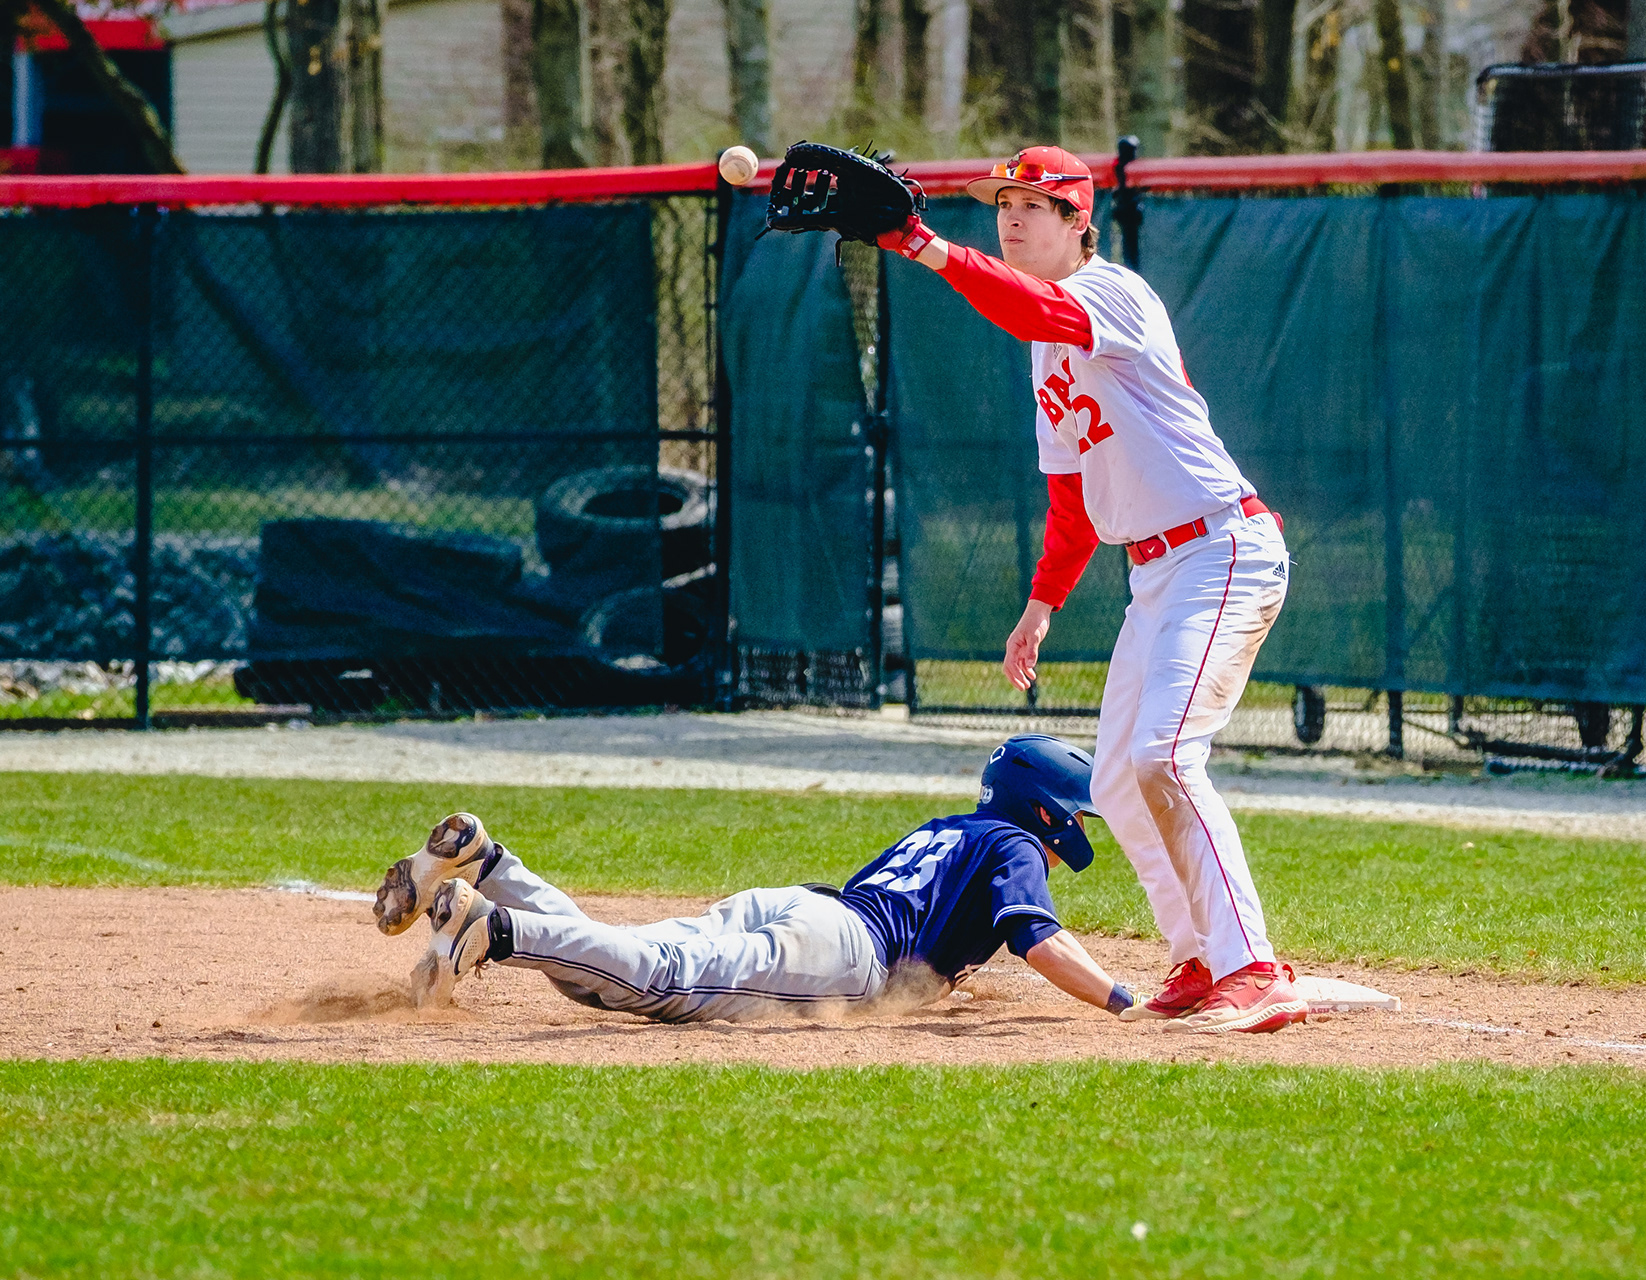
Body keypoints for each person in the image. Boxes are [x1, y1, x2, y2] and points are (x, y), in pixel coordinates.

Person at [874, 147, 1306, 1034]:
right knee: (1115, 776)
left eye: (1035, 203)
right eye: (1004, 204)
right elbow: (1072, 496)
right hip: (1156, 571)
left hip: (1223, 548)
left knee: (1166, 756)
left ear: (1080, 221)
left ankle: (1255, 967)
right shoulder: (1046, 345)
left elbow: (1026, 299)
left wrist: (920, 245)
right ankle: (1197, 957)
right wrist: (1041, 605)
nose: (1012, 217)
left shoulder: (1111, 295)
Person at [371, 735, 1142, 1023]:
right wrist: (1122, 1000)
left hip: (806, 908)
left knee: (613, 961)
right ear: (1047, 812)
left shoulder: (952, 829)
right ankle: (494, 929)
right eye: (1071, 816)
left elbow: (928, 924)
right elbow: (1041, 942)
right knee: (661, 981)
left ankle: (491, 867)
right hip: (843, 951)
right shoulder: (1013, 846)